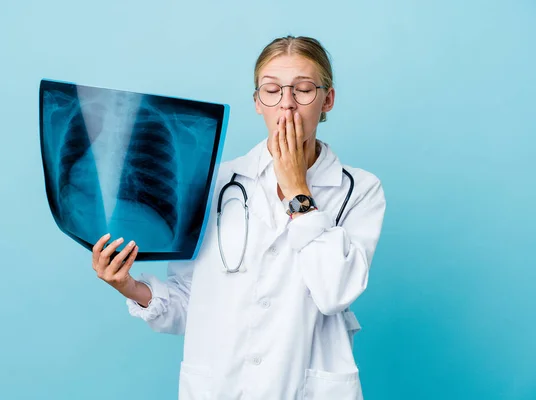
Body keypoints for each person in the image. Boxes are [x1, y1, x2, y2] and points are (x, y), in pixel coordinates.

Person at [91, 35, 386, 400]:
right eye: (272, 91)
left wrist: (297, 189)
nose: (288, 105)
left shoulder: (360, 190)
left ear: (328, 100)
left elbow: (334, 294)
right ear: (257, 103)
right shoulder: (213, 182)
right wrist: (129, 287)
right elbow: (187, 306)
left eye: (304, 90)